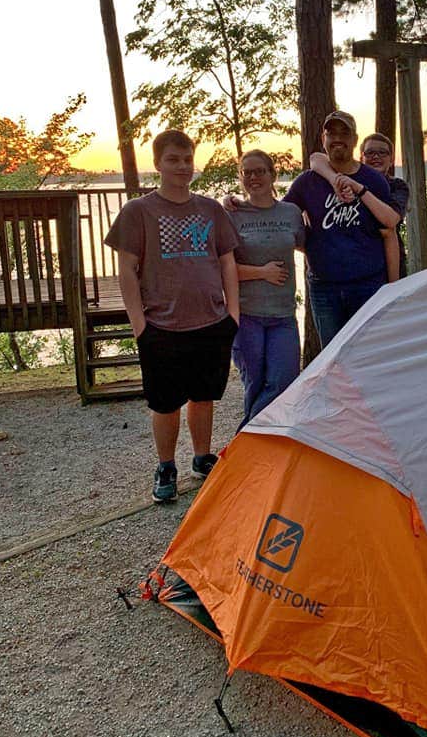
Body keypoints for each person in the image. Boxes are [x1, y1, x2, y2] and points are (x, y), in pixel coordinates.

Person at [105, 129, 240, 504]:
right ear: (158, 164)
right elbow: (126, 271)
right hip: (161, 326)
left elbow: (227, 261)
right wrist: (139, 327)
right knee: (165, 403)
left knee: (204, 396)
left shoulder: (210, 209)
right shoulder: (139, 211)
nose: (182, 167)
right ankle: (166, 465)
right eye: (173, 160)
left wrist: (233, 314)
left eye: (186, 159)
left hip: (211, 323)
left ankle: (201, 456)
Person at [283, 111, 397, 348]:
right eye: (331, 133)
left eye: (344, 133)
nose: (337, 138)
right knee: (333, 359)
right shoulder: (307, 182)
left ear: (355, 140)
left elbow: (389, 234)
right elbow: (281, 220)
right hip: (324, 289)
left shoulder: (374, 182)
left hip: (369, 286)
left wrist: (393, 287)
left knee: (369, 352)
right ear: (323, 139)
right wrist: (241, 206)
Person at [226, 150, 305, 430]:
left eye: (260, 171)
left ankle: (243, 439)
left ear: (273, 175)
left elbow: (310, 248)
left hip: (283, 315)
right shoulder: (231, 214)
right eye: (247, 172)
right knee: (255, 383)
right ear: (241, 178)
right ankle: (255, 453)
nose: (254, 177)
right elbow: (220, 269)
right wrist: (261, 272)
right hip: (246, 315)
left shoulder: (291, 213)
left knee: (284, 380)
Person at [310, 131, 410, 281]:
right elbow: (316, 158)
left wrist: (360, 190)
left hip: (390, 266)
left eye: (383, 152)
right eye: (370, 152)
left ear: (391, 160)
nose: (376, 157)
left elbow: (391, 219)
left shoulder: (397, 186)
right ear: (361, 157)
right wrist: (333, 178)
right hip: (355, 269)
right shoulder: (344, 182)